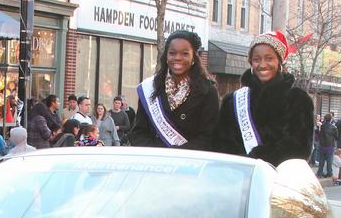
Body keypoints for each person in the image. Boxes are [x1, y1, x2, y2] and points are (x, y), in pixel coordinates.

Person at [214, 30, 315, 167]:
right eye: (256, 59)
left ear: (279, 61)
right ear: (251, 63)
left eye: (269, 58)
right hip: (237, 178)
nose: (262, 65)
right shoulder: (232, 101)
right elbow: (221, 144)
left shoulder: (297, 98)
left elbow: (299, 149)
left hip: (277, 180)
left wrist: (254, 159)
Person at [130, 30, 219, 150]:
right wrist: (159, 154)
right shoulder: (151, 87)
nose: (178, 58)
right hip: (155, 161)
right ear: (166, 56)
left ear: (194, 58)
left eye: (185, 53)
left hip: (190, 162)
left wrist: (176, 154)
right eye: (172, 53)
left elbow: (208, 138)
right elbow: (138, 133)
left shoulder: (207, 91)